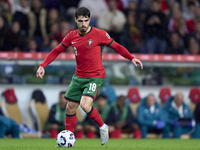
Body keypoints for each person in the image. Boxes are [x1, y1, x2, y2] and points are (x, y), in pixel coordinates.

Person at [36, 7, 143, 145]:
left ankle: (102, 127)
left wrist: (131, 57)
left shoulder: (100, 34)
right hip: (78, 77)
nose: (83, 24)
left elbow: (117, 46)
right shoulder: (71, 36)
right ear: (75, 20)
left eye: (86, 21)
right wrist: (42, 65)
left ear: (89, 19)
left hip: (95, 76)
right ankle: (69, 140)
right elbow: (56, 50)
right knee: (70, 107)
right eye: (80, 21)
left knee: (85, 105)